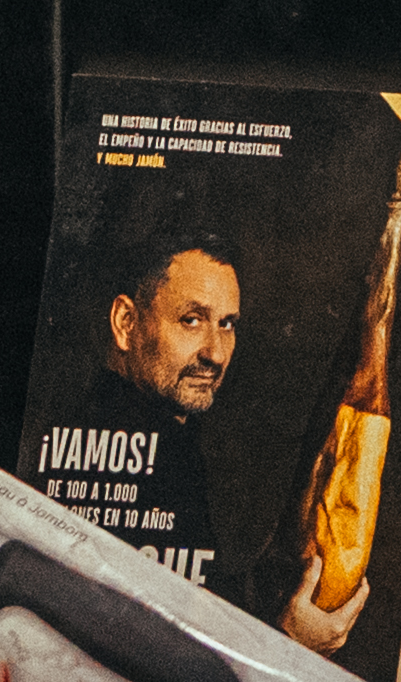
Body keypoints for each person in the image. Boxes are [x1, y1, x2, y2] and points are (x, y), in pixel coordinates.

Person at [27, 218, 243, 593]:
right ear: (126, 322)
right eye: (191, 320)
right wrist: (288, 635)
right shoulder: (102, 447)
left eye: (226, 324)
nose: (217, 353)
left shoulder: (175, 438)